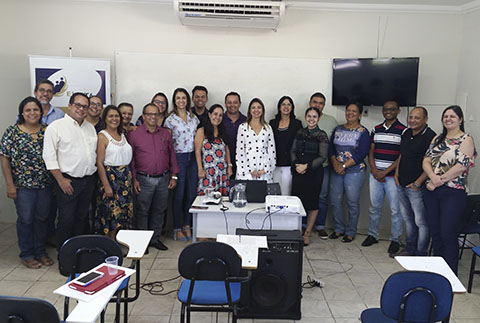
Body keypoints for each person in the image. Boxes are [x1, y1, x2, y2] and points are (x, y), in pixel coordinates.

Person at [0, 97, 53, 269]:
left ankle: (40, 251)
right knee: (26, 220)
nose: (32, 113)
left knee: (43, 219)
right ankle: (27, 253)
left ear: (41, 112)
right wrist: (9, 184)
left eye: (35, 109)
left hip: (45, 184)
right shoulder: (12, 132)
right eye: (28, 110)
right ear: (22, 112)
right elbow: (4, 158)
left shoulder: (47, 131)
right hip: (22, 186)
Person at [423, 105, 476, 273]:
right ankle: (437, 272)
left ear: (460, 119)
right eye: (445, 116)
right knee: (436, 232)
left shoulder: (466, 139)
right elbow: (426, 160)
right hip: (432, 190)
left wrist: (439, 180)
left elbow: (462, 167)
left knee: (448, 233)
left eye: (452, 116)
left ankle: (450, 274)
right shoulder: (437, 138)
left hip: (453, 193)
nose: (448, 119)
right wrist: (432, 177)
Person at [43, 92, 97, 250]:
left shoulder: (90, 128)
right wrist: (61, 180)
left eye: (85, 106)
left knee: (82, 218)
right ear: (70, 105)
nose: (81, 109)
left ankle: (79, 252)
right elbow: (49, 157)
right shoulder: (56, 127)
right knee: (66, 219)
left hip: (88, 180)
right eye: (78, 105)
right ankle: (65, 256)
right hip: (68, 181)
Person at [129, 103, 179, 251]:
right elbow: (131, 159)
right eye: (149, 114)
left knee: (160, 209)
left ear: (159, 117)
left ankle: (155, 239)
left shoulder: (165, 134)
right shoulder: (134, 134)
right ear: (143, 116)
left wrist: (174, 176)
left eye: (155, 114)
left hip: (163, 178)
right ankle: (142, 242)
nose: (152, 117)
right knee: (142, 211)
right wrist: (134, 179)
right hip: (143, 179)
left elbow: (171, 155)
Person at [362, 100, 406, 255]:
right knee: (374, 207)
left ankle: (395, 240)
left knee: (395, 210)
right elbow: (371, 151)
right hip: (375, 176)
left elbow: (402, 156)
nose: (388, 111)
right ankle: (373, 235)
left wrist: (385, 171)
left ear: (398, 111)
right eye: (386, 109)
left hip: (392, 177)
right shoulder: (376, 129)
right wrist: (374, 169)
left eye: (392, 109)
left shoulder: (403, 131)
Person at [394, 107, 436, 257]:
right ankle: (410, 250)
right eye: (411, 117)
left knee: (421, 222)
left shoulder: (431, 137)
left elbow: (431, 164)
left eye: (417, 118)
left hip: (417, 187)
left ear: (425, 119)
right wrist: (397, 174)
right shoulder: (406, 133)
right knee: (408, 219)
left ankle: (420, 253)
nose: (412, 120)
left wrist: (418, 183)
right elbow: (402, 155)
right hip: (402, 183)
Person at [328, 102, 370, 243]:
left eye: (354, 111)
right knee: (335, 201)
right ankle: (339, 229)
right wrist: (335, 163)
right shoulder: (338, 129)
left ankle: (351, 231)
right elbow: (331, 149)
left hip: (354, 171)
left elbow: (362, 153)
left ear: (359, 114)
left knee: (352, 202)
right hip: (336, 170)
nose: (350, 113)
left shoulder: (363, 132)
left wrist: (344, 165)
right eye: (348, 110)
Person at [164, 88, 199, 241]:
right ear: (174, 100)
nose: (181, 101)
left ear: (187, 100)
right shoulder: (170, 120)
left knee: (192, 193)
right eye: (178, 98)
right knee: (179, 194)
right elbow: (168, 145)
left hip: (193, 157)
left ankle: (187, 225)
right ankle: (177, 227)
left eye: (184, 98)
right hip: (178, 157)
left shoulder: (194, 118)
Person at [290, 107, 329, 245]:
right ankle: (297, 230)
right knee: (297, 201)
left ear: (318, 119)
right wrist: (296, 165)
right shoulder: (300, 132)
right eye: (309, 116)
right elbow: (293, 150)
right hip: (298, 171)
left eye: (314, 117)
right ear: (305, 117)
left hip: (313, 172)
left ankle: (307, 233)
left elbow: (323, 157)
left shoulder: (322, 135)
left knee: (312, 203)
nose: (311, 119)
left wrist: (306, 166)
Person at [95, 105, 133, 239]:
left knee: (123, 213)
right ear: (105, 118)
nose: (114, 119)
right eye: (111, 116)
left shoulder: (122, 134)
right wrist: (106, 185)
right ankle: (111, 244)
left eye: (117, 116)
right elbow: (99, 162)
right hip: (111, 178)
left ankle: (118, 241)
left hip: (125, 179)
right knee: (111, 214)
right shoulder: (102, 136)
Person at [309, 92, 338, 239]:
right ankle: (302, 225)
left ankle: (320, 226)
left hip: (324, 166)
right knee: (304, 195)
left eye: (320, 103)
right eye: (315, 102)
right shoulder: (303, 119)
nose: (317, 105)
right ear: (310, 103)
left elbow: (334, 144)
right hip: (305, 167)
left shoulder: (331, 121)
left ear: (324, 105)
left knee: (321, 196)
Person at [195, 104, 232, 196]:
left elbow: (226, 150)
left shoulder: (222, 131)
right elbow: (197, 151)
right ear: (209, 115)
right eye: (215, 114)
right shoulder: (202, 131)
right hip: (208, 172)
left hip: (222, 172)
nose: (217, 117)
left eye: (220, 115)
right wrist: (200, 169)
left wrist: (229, 166)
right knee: (207, 200)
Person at [236, 98, 276, 183]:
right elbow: (240, 151)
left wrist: (265, 169)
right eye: (253, 108)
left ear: (262, 110)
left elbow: (271, 151)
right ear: (250, 110)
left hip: (263, 170)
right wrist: (250, 170)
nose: (256, 110)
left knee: (264, 195)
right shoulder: (243, 127)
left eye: (259, 107)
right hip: (247, 170)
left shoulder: (268, 128)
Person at [269, 96, 302, 195]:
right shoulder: (273, 123)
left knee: (286, 194)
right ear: (279, 107)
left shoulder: (297, 124)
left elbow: (299, 145)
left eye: (289, 104)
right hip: (275, 164)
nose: (286, 107)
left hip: (289, 165)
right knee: (275, 193)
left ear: (292, 107)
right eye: (283, 104)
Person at [223, 92, 246, 178]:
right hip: (223, 162)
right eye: (229, 102)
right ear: (225, 104)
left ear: (240, 104)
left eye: (235, 102)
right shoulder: (219, 120)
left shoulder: (246, 121)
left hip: (243, 163)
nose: (232, 105)